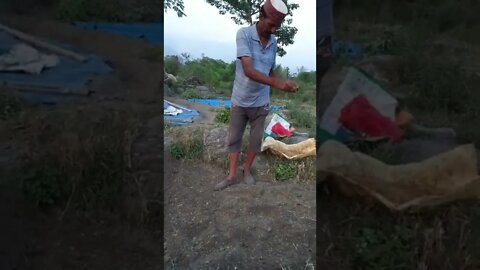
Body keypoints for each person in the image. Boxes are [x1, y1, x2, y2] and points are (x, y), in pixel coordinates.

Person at [214, 0, 299, 191]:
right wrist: (278, 84)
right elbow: (248, 70)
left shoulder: (274, 41)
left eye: (277, 26)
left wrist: (284, 84)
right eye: (271, 25)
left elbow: (270, 70)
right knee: (234, 138)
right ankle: (231, 176)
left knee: (255, 139)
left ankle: (247, 171)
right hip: (240, 99)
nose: (274, 30)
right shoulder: (243, 34)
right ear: (261, 16)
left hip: (261, 102)